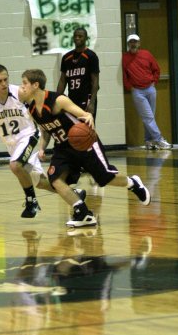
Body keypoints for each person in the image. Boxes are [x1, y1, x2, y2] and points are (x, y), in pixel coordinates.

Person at [20, 69, 151, 228]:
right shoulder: (32, 109)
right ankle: (83, 213)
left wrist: (89, 121)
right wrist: (42, 148)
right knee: (55, 180)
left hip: (84, 144)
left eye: (25, 83)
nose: (22, 87)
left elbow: (85, 115)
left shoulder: (58, 100)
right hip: (63, 148)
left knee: (104, 178)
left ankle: (133, 183)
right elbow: (46, 129)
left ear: (35, 85)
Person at [0, 64, 85, 218]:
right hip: (12, 144)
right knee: (40, 183)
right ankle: (75, 194)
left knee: (15, 165)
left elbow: (40, 106)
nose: (4, 84)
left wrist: (46, 133)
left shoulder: (19, 93)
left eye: (6, 79)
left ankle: (31, 201)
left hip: (28, 136)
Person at [122, 34, 172, 150]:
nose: (133, 44)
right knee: (148, 117)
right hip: (138, 92)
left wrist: (154, 81)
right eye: (131, 42)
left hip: (150, 89)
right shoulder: (124, 58)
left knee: (149, 117)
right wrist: (130, 87)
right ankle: (159, 140)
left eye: (135, 42)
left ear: (139, 43)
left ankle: (148, 141)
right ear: (128, 44)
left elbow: (156, 69)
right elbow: (124, 76)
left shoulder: (146, 54)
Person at [56, 27, 100, 118]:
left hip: (86, 98)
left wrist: (92, 103)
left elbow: (95, 81)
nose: (77, 38)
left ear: (86, 38)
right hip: (72, 98)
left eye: (80, 36)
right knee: (73, 128)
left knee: (87, 129)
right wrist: (57, 99)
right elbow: (62, 81)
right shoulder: (66, 57)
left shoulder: (91, 56)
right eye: (75, 36)